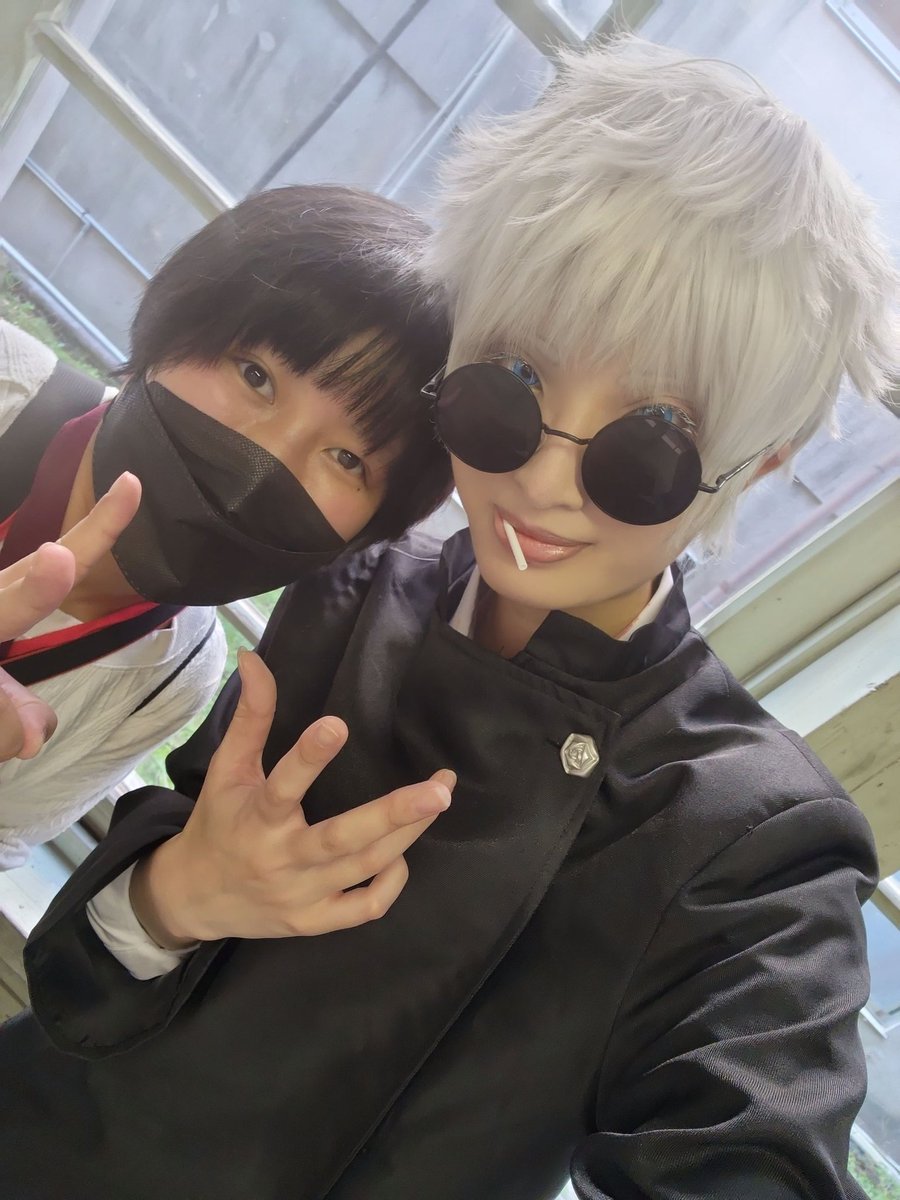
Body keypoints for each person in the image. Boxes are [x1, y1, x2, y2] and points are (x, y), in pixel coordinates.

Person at [1, 36, 897, 1200]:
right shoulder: (349, 592)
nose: (543, 484)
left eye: (647, 446)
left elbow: (754, 1149)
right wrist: (175, 897)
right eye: (508, 387)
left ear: (760, 462)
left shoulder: (750, 836)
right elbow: (74, 988)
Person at [0, 185, 451, 870]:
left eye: (347, 459)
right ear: (180, 320)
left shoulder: (174, 676)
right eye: (256, 376)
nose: (266, 463)